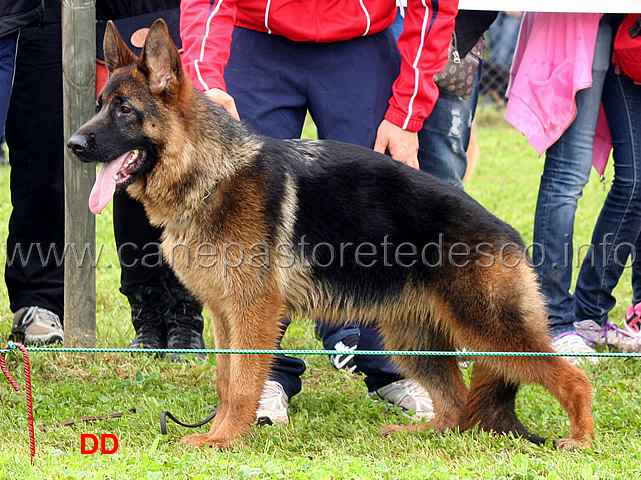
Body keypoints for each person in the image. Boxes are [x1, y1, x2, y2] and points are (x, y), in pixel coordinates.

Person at [180, 0, 458, 424]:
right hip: (256, 40)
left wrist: (408, 109)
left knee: (380, 216)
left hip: (361, 43)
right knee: (242, 223)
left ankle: (390, 367)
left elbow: (434, 4)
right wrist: (205, 79)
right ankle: (264, 376)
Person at [5, 0, 206, 361]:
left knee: (176, 174)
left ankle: (185, 321)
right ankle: (145, 319)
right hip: (96, 13)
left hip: (172, 16)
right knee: (125, 167)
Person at [505, 13, 641, 363]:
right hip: (581, 26)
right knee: (567, 177)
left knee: (636, 182)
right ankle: (553, 320)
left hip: (628, 35)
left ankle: (590, 315)